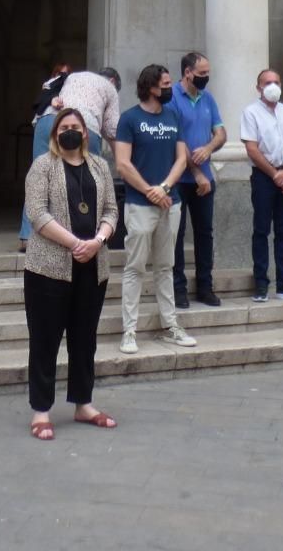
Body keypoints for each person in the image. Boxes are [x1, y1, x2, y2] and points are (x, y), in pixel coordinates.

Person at [23, 108, 120, 440]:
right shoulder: (43, 167)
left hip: (93, 268)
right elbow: (37, 213)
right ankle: (41, 410)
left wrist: (98, 240)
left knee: (85, 338)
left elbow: (110, 210)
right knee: (45, 339)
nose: (70, 131)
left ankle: (83, 403)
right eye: (64, 127)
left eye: (75, 127)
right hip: (48, 269)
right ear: (54, 134)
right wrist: (76, 243)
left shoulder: (99, 166)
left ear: (85, 133)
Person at [113, 64, 196, 354]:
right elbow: (123, 163)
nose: (169, 87)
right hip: (139, 205)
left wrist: (164, 188)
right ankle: (129, 331)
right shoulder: (129, 119)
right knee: (135, 267)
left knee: (165, 266)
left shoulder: (173, 116)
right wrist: (150, 191)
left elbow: (181, 159)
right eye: (165, 83)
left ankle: (171, 325)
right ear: (150, 87)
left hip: (169, 203)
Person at [21, 67, 120, 251]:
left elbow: (46, 88)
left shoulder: (71, 77)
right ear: (113, 81)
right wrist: (121, 163)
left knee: (38, 177)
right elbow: (113, 130)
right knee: (87, 181)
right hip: (82, 124)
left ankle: (28, 236)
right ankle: (85, 233)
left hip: (46, 119)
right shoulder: (110, 88)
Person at [241, 68, 283, 302]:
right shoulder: (251, 112)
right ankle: (261, 283)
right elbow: (252, 148)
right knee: (261, 229)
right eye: (267, 82)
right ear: (258, 87)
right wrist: (274, 174)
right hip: (263, 176)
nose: (273, 86)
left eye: (276, 81)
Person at [171, 52, 224, 309]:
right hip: (179, 179)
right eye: (202, 73)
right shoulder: (171, 99)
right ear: (188, 72)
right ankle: (178, 288)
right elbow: (176, 141)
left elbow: (221, 133)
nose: (206, 78)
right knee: (177, 235)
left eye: (207, 73)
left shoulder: (208, 98)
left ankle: (205, 286)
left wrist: (208, 148)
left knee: (205, 234)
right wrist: (196, 171)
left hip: (205, 177)